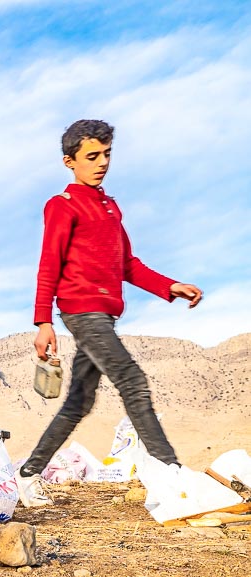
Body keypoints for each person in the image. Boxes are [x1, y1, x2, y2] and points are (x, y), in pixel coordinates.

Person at [17, 119, 203, 507]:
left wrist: (169, 285)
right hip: (81, 312)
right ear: (70, 161)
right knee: (133, 382)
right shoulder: (61, 206)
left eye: (107, 154)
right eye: (91, 156)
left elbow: (128, 265)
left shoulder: (109, 208)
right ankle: (171, 472)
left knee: (78, 404)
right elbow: (48, 264)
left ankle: (27, 475)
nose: (102, 162)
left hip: (103, 314)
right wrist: (43, 321)